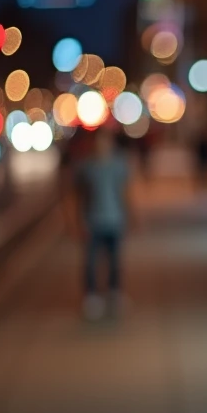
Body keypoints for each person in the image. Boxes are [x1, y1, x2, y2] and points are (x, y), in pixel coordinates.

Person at [65, 126, 135, 321]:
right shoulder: (85, 166)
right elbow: (75, 196)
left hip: (114, 220)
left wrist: (131, 215)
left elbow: (125, 192)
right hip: (92, 221)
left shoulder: (119, 164)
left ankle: (114, 291)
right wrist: (74, 221)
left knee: (114, 260)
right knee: (90, 262)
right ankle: (92, 296)